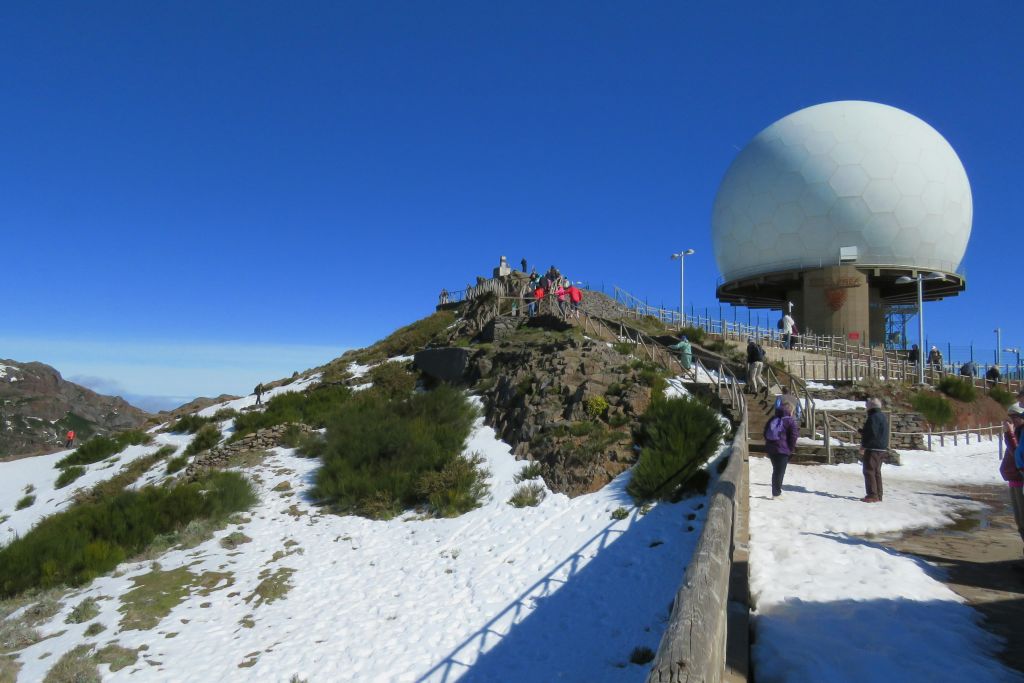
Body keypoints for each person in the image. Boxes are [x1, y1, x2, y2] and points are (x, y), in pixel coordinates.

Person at [764, 402, 799, 498]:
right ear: (790, 411)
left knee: (776, 470)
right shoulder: (790, 421)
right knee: (779, 472)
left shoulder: (773, 418)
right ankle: (776, 493)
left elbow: (765, 432)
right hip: (782, 450)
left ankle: (776, 492)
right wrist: (790, 449)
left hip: (771, 449)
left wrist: (769, 444)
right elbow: (794, 436)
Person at [1001, 406, 1024, 551]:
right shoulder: (1018, 431)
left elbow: (1017, 454)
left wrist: (1009, 434)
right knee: (1020, 522)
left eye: (1014, 417)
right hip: (1015, 480)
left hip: (1020, 480)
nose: (1011, 420)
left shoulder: (1019, 433)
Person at [858, 397, 890, 502]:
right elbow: (876, 432)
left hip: (873, 448)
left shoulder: (873, 417)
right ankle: (878, 494)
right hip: (881, 448)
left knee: (869, 470)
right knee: (876, 471)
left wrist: (863, 445)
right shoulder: (882, 416)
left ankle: (872, 495)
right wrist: (863, 431)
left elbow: (871, 433)